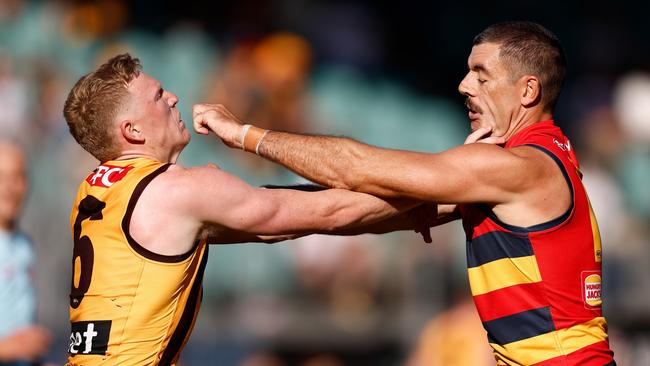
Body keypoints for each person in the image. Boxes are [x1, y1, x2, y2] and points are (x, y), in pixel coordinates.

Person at [198, 21, 616, 365]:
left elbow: (354, 168)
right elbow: (342, 212)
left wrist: (245, 135)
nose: (463, 85)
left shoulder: (519, 167)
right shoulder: (510, 170)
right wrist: (224, 213)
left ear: (527, 91)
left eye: (481, 75)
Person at [62, 54, 430, 366]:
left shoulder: (94, 189)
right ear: (133, 130)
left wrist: (425, 208)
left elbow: (279, 220)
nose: (174, 97)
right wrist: (433, 189)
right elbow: (327, 213)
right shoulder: (176, 190)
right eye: (158, 96)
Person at [0, 141, 52, 366]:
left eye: (18, 177)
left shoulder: (24, 245)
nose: (10, 187)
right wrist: (7, 348)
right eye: (1, 177)